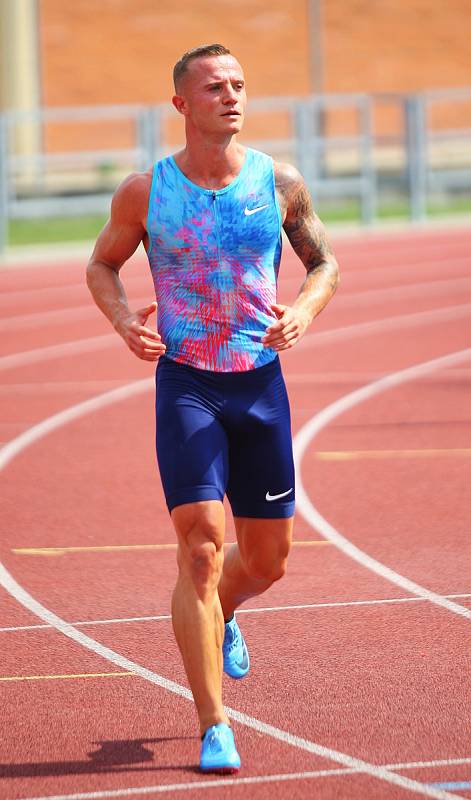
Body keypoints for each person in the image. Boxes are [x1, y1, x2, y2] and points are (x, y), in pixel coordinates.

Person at [86, 43, 339, 774]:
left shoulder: (278, 182)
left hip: (259, 384)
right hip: (188, 382)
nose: (230, 96)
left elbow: (322, 261)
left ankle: (228, 609)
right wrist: (122, 318)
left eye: (238, 85)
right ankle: (213, 724)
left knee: (267, 562)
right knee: (199, 546)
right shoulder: (146, 192)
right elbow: (103, 262)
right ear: (181, 104)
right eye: (214, 86)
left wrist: (307, 310)